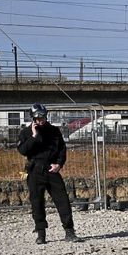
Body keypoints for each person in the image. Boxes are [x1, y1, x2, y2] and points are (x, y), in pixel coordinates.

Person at [17, 103, 83, 245]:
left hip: (51, 169)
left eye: (44, 117)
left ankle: (69, 231)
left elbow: (62, 149)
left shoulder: (54, 131)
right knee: (37, 202)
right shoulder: (26, 133)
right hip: (35, 171)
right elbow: (23, 150)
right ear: (33, 118)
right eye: (39, 118)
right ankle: (41, 233)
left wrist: (59, 164)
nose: (42, 120)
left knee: (62, 200)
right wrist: (34, 137)